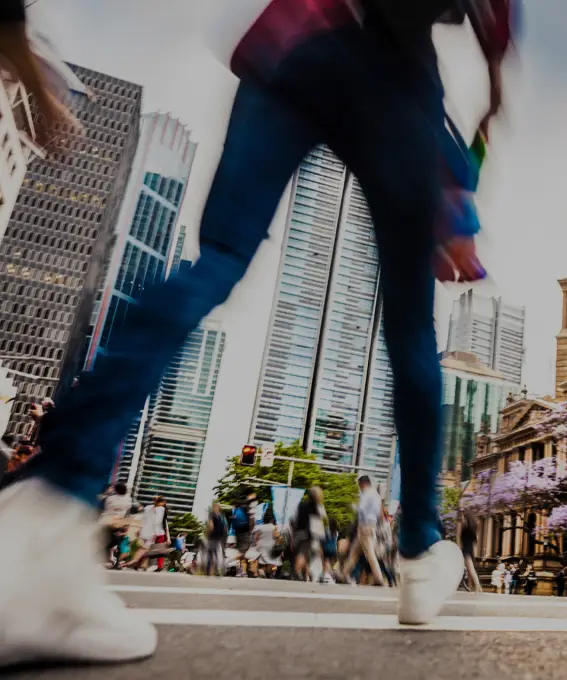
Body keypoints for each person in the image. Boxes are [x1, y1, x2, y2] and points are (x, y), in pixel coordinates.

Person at [0, 0, 518, 664]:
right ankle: (418, 552)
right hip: (394, 75)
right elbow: (494, 35)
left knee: (215, 262)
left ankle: (49, 502)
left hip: (298, 43)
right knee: (412, 328)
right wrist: (470, 155)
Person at [342, 477, 387, 586]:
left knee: (369, 553)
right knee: (354, 552)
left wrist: (354, 508)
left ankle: (379, 578)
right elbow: (379, 514)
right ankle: (343, 574)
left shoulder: (366, 494)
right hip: (372, 525)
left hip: (364, 526)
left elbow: (361, 509)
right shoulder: (376, 495)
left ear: (362, 484)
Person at [291, 487, 325, 582]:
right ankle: (297, 572)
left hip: (298, 532)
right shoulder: (318, 507)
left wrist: (293, 535)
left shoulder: (300, 506)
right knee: (303, 553)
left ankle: (304, 574)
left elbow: (293, 520)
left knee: (303, 554)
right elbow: (322, 521)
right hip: (309, 533)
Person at [99, 483, 132, 569]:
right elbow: (127, 513)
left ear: (116, 490)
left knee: (108, 542)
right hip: (120, 523)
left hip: (109, 522)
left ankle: (106, 561)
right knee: (119, 543)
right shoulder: (128, 500)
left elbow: (107, 510)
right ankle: (118, 563)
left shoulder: (110, 499)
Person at [253, 508, 282, 579]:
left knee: (262, 561)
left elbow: (256, 538)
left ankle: (261, 571)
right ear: (272, 519)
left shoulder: (260, 527)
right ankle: (268, 573)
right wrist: (279, 541)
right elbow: (277, 536)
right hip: (270, 546)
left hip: (261, 546)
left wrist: (256, 545)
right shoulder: (274, 527)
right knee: (270, 561)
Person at [459, 511, 482, 592]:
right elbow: (475, 541)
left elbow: (462, 539)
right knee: (469, 570)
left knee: (471, 569)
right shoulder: (471, 529)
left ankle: (478, 587)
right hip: (470, 550)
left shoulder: (466, 529)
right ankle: (471, 587)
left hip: (466, 551)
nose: (462, 519)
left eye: (463, 517)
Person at [205, 503, 228, 577]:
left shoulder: (212, 514)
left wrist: (207, 534)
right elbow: (225, 528)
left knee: (210, 554)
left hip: (212, 537)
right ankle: (217, 571)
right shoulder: (221, 516)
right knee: (216, 554)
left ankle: (208, 572)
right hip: (219, 537)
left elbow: (211, 526)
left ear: (214, 507)